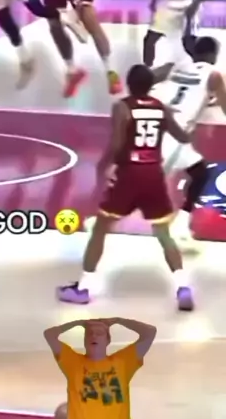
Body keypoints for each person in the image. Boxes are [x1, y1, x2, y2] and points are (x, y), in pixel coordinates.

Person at [58, 64, 194, 311]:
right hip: (153, 174)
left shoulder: (122, 107)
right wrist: (189, 127)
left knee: (100, 228)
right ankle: (183, 287)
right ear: (151, 85)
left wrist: (103, 165)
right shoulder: (161, 108)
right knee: (164, 234)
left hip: (129, 175)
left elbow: (117, 143)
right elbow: (183, 137)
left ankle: (84, 288)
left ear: (129, 84)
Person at [151, 36, 226, 247]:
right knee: (144, 183)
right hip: (175, 135)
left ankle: (181, 226)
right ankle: (104, 220)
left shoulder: (178, 68)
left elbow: (151, 78)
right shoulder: (214, 75)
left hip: (161, 126)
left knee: (200, 173)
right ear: (213, 55)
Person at [43, 317, 156, 419]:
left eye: (99, 333)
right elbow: (49, 334)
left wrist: (118, 320)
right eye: (90, 333)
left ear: (108, 340)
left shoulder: (123, 362)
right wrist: (78, 323)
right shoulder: (73, 362)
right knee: (61, 411)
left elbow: (150, 332)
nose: (94, 336)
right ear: (84, 341)